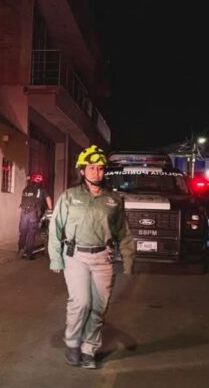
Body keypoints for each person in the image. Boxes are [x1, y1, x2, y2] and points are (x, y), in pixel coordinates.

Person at [49, 145, 134, 370]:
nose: (97, 172)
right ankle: (72, 344)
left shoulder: (113, 200)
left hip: (103, 258)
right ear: (83, 171)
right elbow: (55, 227)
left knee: (99, 306)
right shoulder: (69, 196)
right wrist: (55, 258)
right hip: (76, 256)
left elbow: (123, 231)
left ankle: (89, 349)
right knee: (81, 302)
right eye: (92, 168)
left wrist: (128, 259)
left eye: (100, 168)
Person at [18, 173, 53, 259]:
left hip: (23, 213)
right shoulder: (42, 189)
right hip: (33, 213)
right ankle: (29, 254)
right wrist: (50, 209)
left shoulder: (25, 189)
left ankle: (21, 249)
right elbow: (48, 199)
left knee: (23, 232)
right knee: (31, 233)